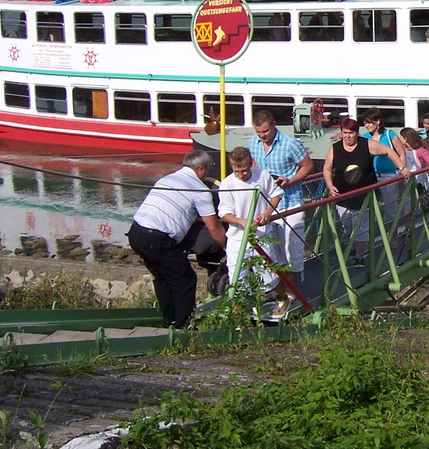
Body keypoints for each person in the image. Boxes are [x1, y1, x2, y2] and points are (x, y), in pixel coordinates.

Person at [127, 150, 226, 328]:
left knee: (163, 277)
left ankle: (169, 320)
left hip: (136, 232)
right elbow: (213, 226)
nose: (208, 174)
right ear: (201, 168)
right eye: (208, 169)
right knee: (185, 279)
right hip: (156, 238)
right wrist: (226, 247)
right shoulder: (200, 189)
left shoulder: (166, 179)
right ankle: (182, 325)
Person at [323, 117, 410, 263]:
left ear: (357, 133)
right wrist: (330, 185)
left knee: (361, 227)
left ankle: (359, 257)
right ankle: (353, 247)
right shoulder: (334, 149)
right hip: (343, 195)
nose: (348, 136)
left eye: (351, 133)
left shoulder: (367, 144)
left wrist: (401, 168)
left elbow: (389, 152)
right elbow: (327, 168)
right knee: (347, 225)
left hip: (365, 194)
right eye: (345, 133)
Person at [248, 110, 313, 292]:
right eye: (259, 132)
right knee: (272, 250)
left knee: (292, 250)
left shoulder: (290, 144)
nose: (262, 136)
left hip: (290, 202)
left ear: (273, 125)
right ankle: (278, 291)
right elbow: (255, 166)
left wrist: (290, 180)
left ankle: (290, 292)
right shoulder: (253, 143)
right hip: (266, 205)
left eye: (265, 131)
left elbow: (308, 165)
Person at [217, 146, 284, 312]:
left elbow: (276, 194)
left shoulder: (262, 175)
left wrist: (267, 213)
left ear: (251, 164)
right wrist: (241, 221)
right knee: (237, 275)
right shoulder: (227, 184)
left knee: (269, 272)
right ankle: (238, 311)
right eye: (237, 171)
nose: (241, 175)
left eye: (244, 171)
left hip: (261, 234)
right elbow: (224, 213)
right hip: (237, 237)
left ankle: (282, 300)